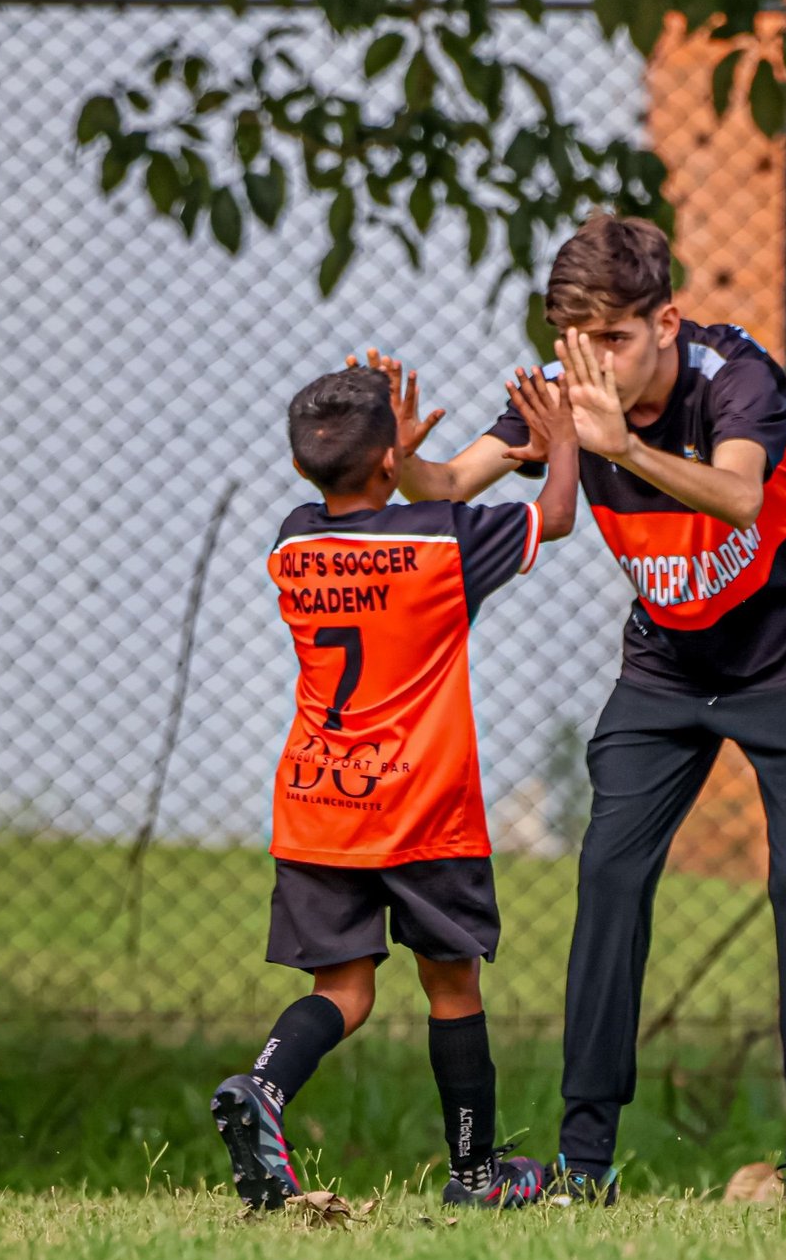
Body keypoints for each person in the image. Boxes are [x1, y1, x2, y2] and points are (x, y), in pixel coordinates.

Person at [396, 215, 786, 1208]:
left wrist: (619, 448)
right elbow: (447, 483)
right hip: (669, 658)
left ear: (666, 322)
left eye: (615, 338)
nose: (595, 363)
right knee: (609, 874)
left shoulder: (740, 380)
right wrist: (402, 467)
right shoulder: (568, 389)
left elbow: (740, 498)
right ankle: (585, 1164)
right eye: (579, 341)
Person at [210, 362, 578, 1212]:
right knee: (451, 988)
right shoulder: (441, 540)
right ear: (389, 460)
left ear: (305, 467)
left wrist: (395, 461)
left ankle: (262, 1090)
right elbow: (553, 517)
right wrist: (561, 447)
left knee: (342, 991)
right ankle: (475, 1176)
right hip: (422, 811)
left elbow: (371, 511)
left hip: (319, 805)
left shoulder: (292, 539)